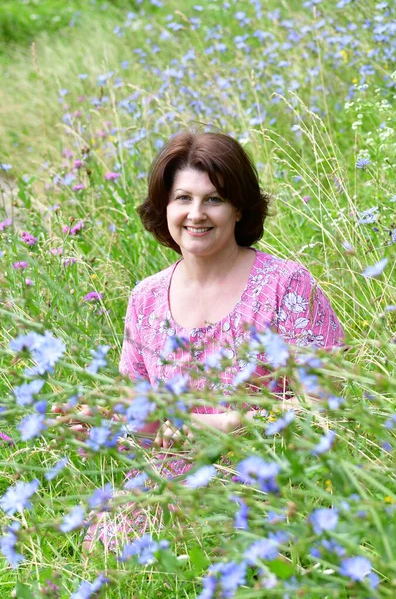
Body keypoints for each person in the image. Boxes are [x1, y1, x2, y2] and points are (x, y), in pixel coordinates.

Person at [83, 129, 345, 552]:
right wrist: (100, 427)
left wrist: (229, 427)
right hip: (174, 486)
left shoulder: (287, 285)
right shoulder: (146, 298)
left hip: (274, 476)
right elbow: (145, 426)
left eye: (214, 199)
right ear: (164, 208)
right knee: (109, 546)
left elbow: (327, 405)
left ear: (240, 208)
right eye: (182, 198)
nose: (196, 214)